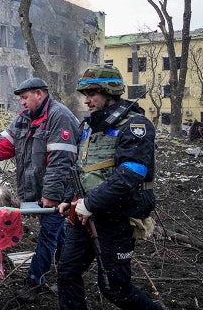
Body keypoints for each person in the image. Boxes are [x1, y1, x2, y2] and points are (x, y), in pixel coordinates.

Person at [56, 65, 161, 310]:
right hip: (83, 215)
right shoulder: (89, 126)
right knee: (67, 272)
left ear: (110, 92)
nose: (87, 99)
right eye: (85, 93)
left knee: (115, 289)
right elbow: (81, 168)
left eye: (93, 93)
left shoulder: (136, 126)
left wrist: (89, 204)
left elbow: (130, 176)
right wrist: (67, 198)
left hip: (116, 218)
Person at [0, 77, 80, 302]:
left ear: (39, 94)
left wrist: (50, 195)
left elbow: (61, 161)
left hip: (59, 192)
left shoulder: (59, 117)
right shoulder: (23, 119)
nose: (21, 103)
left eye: (25, 98)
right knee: (58, 233)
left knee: (49, 234)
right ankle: (67, 276)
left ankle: (34, 280)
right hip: (37, 191)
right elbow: (3, 144)